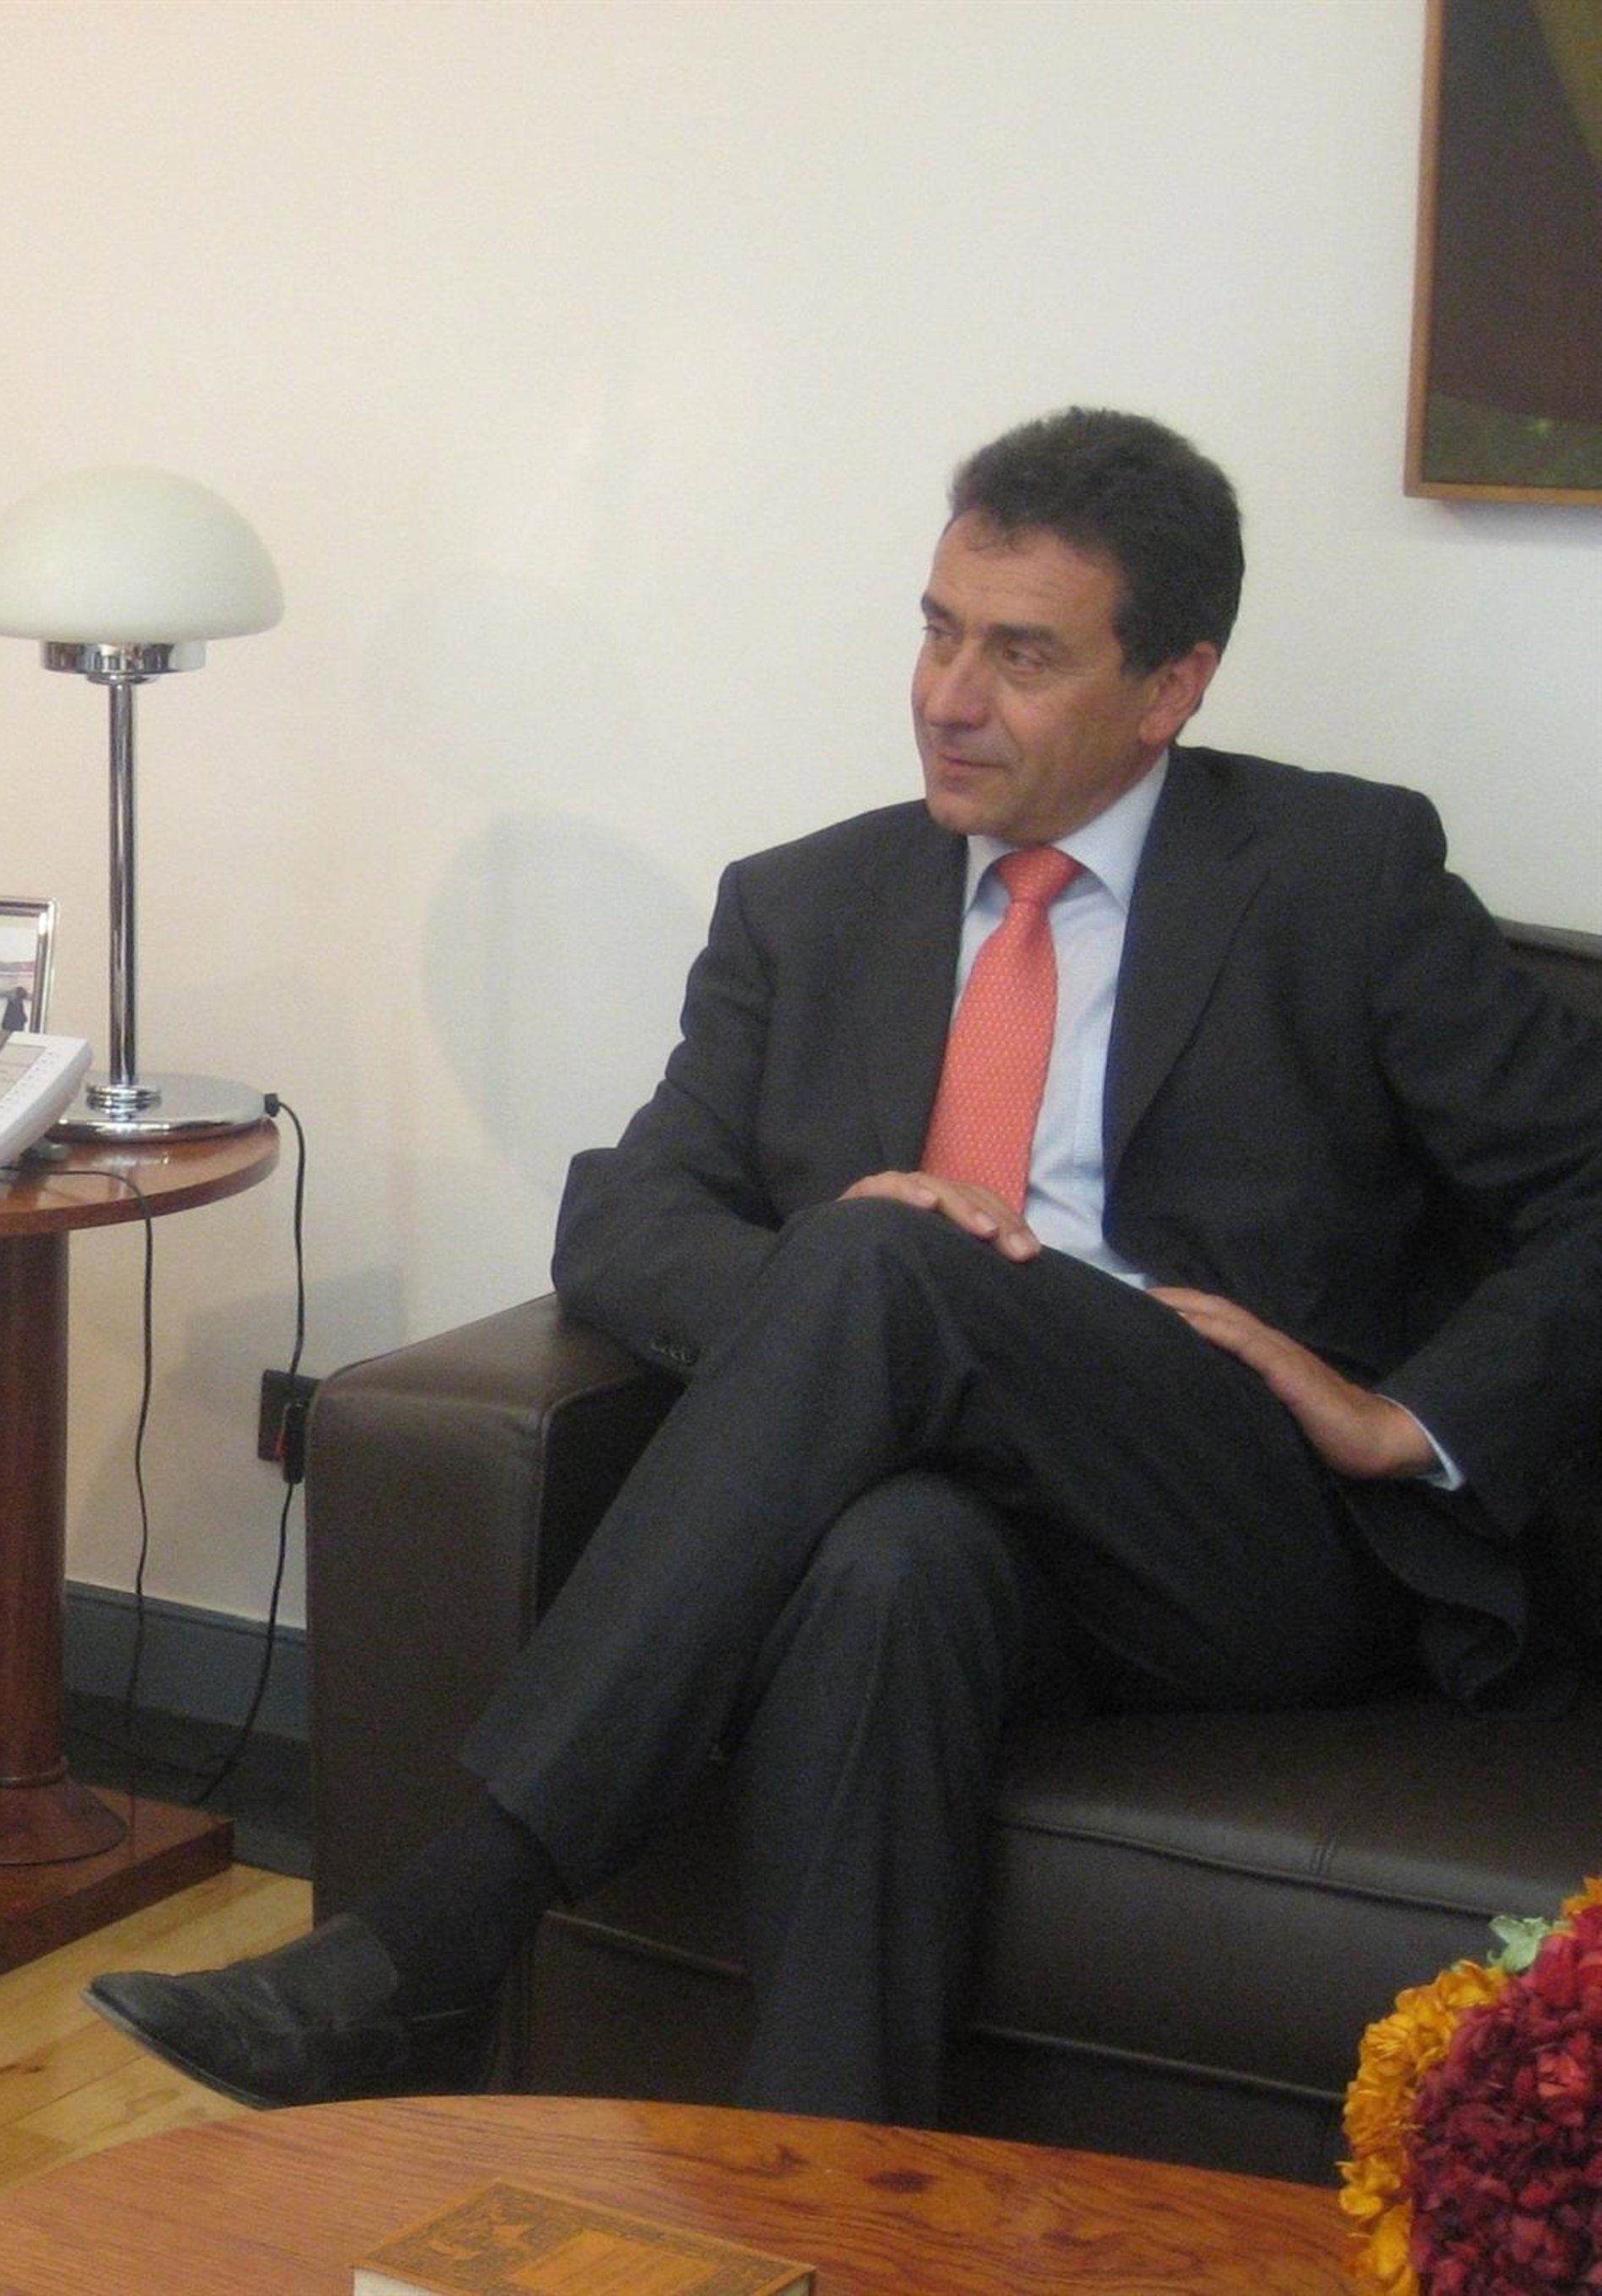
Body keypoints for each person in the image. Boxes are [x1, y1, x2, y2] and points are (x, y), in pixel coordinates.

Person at [87, 408, 1602, 2124]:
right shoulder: (805, 905)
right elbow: (625, 1216)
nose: (949, 695)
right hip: (968, 1532)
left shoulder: (1339, 875)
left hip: (1235, 1531)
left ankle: (445, 1929)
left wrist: (1410, 1418)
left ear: (1173, 686)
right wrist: (856, 1315)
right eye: (938, 630)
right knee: (891, 1563)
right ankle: (826, 2192)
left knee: (885, 1258)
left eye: (1023, 654)